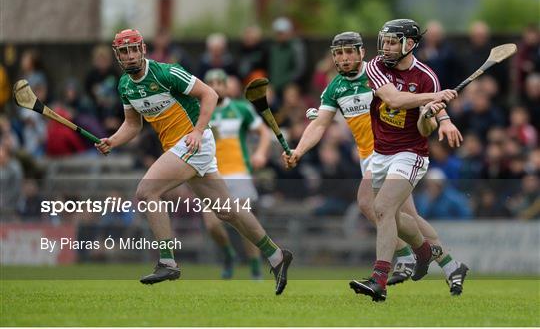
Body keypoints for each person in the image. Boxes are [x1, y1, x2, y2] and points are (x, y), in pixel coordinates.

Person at [95, 29, 292, 294]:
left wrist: (198, 131)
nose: (129, 56)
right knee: (227, 210)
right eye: (123, 51)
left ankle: (167, 261)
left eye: (133, 49)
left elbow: (209, 94)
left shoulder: (167, 72)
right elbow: (132, 125)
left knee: (146, 191)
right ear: (117, 55)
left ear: (143, 49)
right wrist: (113, 141)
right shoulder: (125, 86)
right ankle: (277, 256)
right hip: (182, 148)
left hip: (192, 142)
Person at [283, 29, 467, 302]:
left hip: (397, 153)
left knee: (372, 205)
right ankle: (446, 264)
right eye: (339, 53)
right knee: (404, 218)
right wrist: (299, 149)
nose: (344, 59)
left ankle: (404, 259)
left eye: (349, 52)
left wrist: (445, 119)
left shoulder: (378, 73)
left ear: (361, 53)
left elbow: (415, 98)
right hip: (372, 157)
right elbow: (320, 123)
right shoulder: (335, 87)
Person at [204, 68, 271, 279]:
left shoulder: (241, 108)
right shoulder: (199, 111)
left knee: (244, 223)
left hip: (239, 173)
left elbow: (264, 132)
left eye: (219, 83)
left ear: (226, 87)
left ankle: (254, 265)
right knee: (212, 225)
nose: (215, 87)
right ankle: (228, 254)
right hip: (210, 176)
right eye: (211, 83)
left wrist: (260, 153)